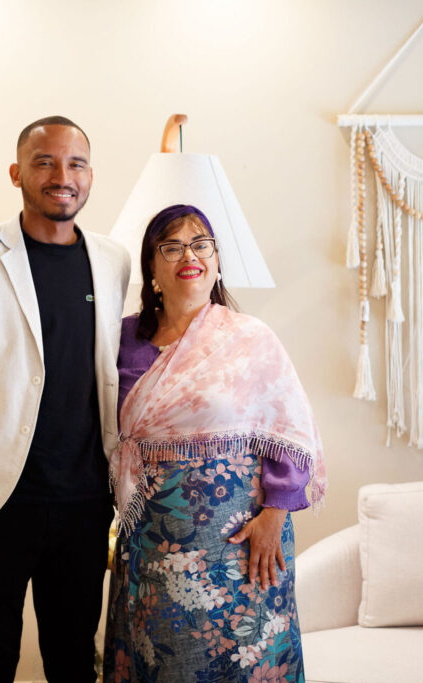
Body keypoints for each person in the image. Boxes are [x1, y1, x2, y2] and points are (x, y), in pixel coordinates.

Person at [0, 115, 130, 682]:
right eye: (45, 162)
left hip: (85, 503)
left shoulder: (113, 260)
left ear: (90, 176)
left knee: (73, 662)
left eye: (76, 164)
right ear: (16, 173)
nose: (62, 176)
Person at [103, 204, 326, 682]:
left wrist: (274, 517)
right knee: (165, 662)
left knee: (246, 661)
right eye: (172, 246)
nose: (190, 255)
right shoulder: (121, 341)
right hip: (152, 545)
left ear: (217, 259)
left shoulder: (249, 339)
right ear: (152, 267)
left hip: (242, 542)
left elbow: (290, 432)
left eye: (201, 244)